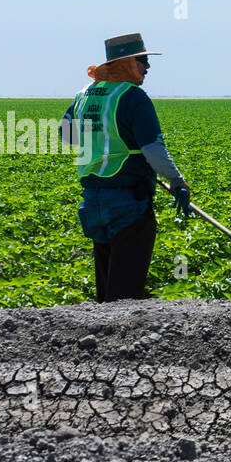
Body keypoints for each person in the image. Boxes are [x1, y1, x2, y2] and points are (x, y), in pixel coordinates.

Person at [62, 32, 190, 302]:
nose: (148, 67)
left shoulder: (84, 95)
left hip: (94, 203)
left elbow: (66, 135)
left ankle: (100, 338)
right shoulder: (132, 97)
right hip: (128, 204)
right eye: (143, 60)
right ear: (127, 63)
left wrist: (103, 139)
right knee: (125, 296)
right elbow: (153, 149)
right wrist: (177, 181)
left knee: (107, 285)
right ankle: (121, 340)